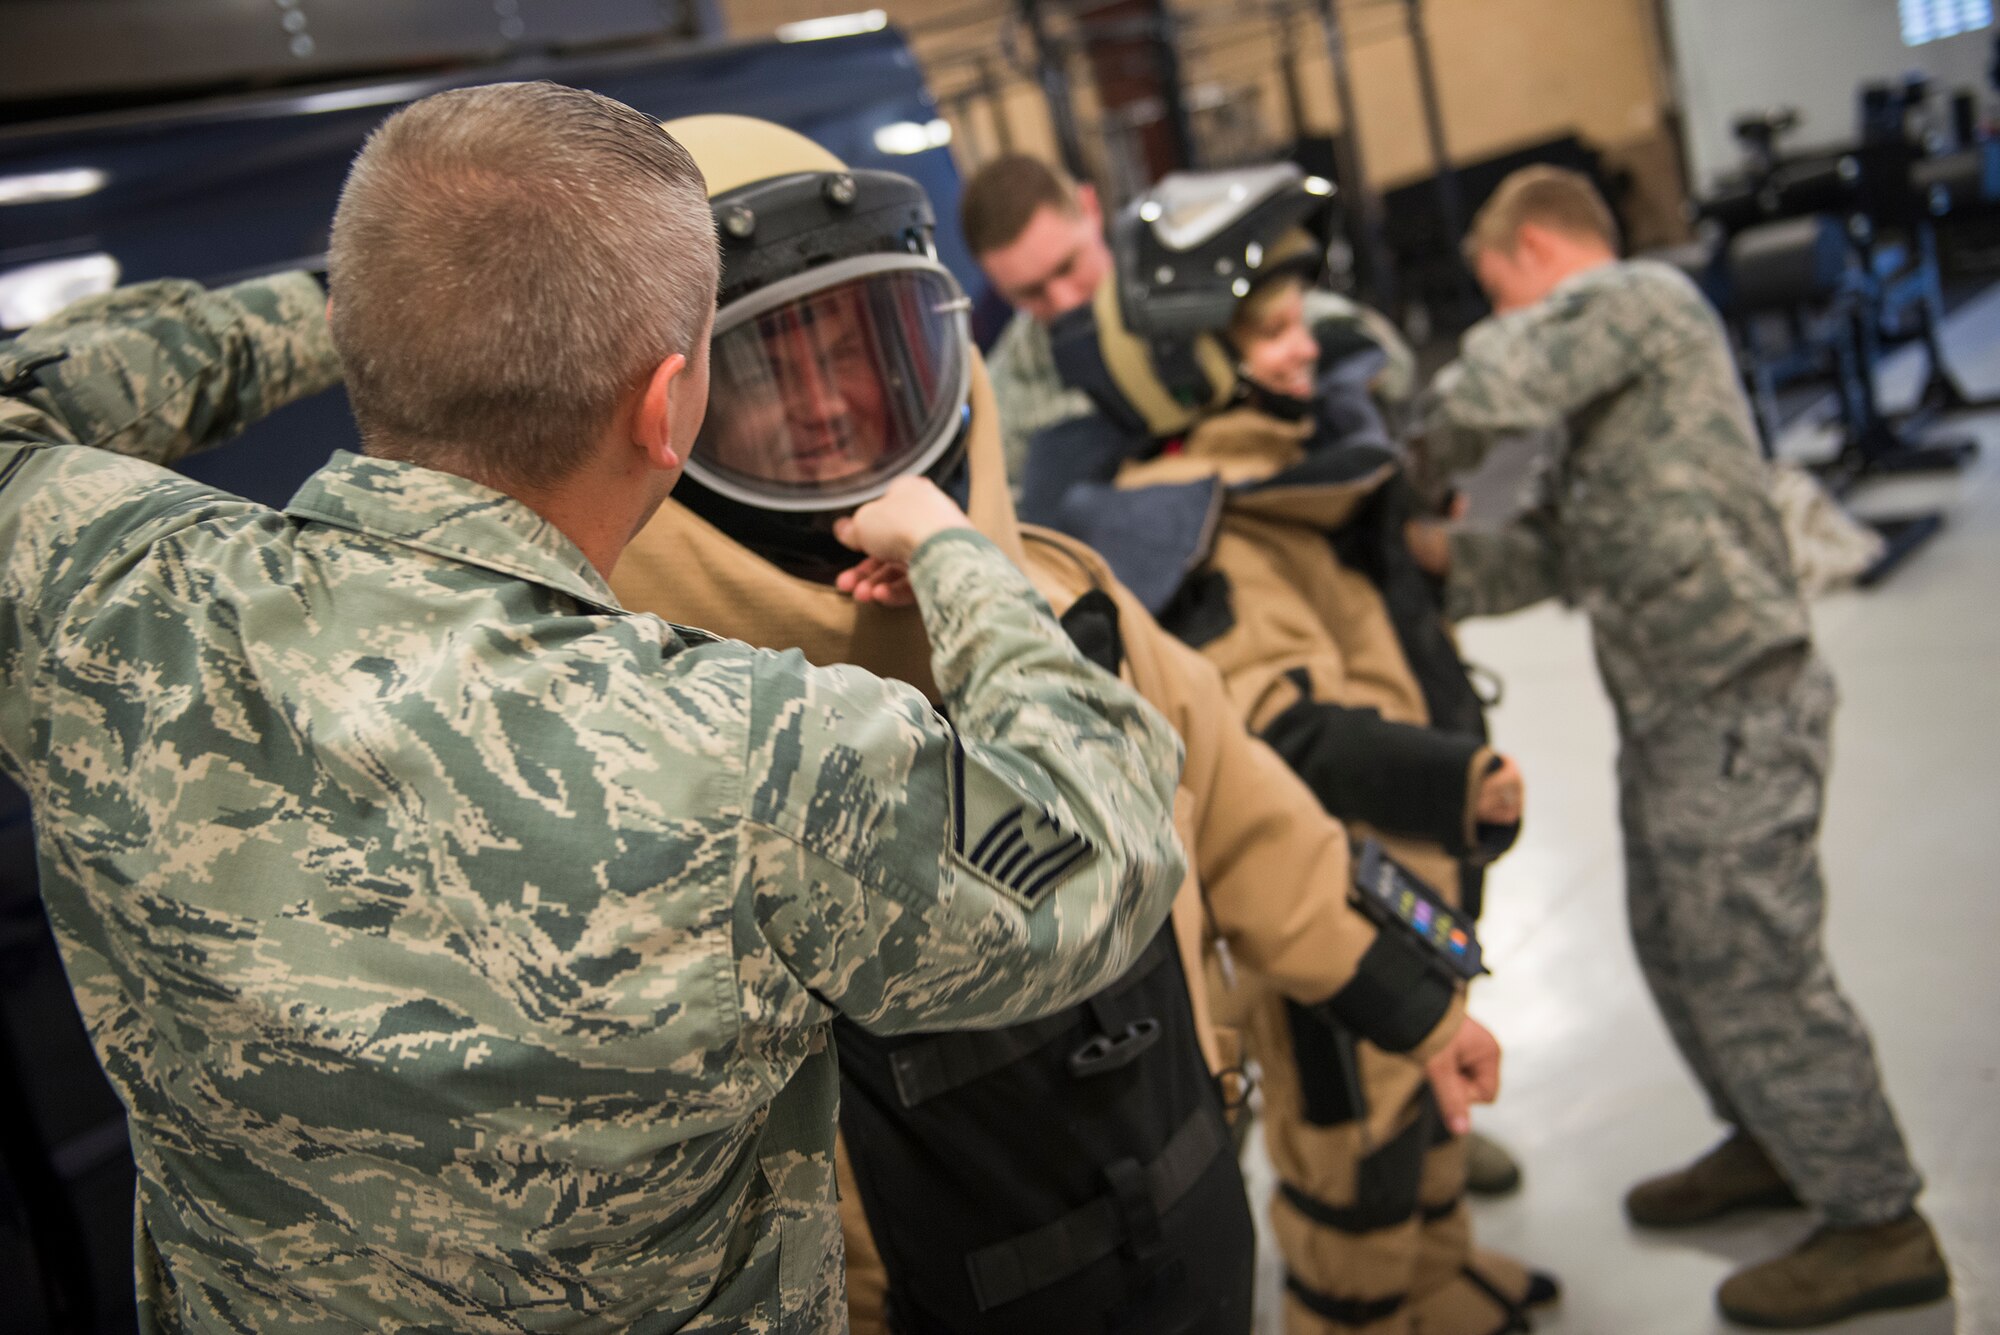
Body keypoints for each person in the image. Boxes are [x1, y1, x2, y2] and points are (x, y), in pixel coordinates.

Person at [0, 82, 1194, 1332]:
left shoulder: (104, 593)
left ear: (368, 334)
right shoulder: (752, 761)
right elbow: (1100, 848)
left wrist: (349, 307)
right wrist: (957, 556)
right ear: (667, 404)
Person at [610, 117, 1503, 1335]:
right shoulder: (635, 752)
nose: (826, 410)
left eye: (855, 350)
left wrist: (1416, 1002)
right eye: (764, 373)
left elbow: (1247, 818)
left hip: (1191, 1231)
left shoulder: (1071, 601)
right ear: (660, 418)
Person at [1408, 164, 1950, 1328]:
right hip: (1670, 713)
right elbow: (1558, 552)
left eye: (1502, 291)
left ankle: (1875, 1221)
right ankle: (1768, 1136)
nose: (1506, 317)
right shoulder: (1612, 392)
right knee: (1675, 943)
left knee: (1751, 960)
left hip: (1731, 699)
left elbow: (1489, 385)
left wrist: (1398, 439)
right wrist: (1437, 566)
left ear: (1539, 254)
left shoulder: (1634, 302)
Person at [1016, 165, 1555, 1335]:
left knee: (1426, 1108)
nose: (1302, 349)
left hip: (1407, 874)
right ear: (1181, 357)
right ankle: (1354, 1307)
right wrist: (1448, 778)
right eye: (1266, 333)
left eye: (1297, 320)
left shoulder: (1290, 464)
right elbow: (1278, 730)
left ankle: (1437, 1271)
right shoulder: (1188, 521)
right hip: (1328, 906)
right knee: (1350, 1150)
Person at [962, 154, 1416, 491]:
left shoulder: (1195, 289)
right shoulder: (1004, 401)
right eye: (1029, 293)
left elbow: (1389, 363)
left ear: (1089, 206)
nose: (1062, 301)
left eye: (1067, 267)